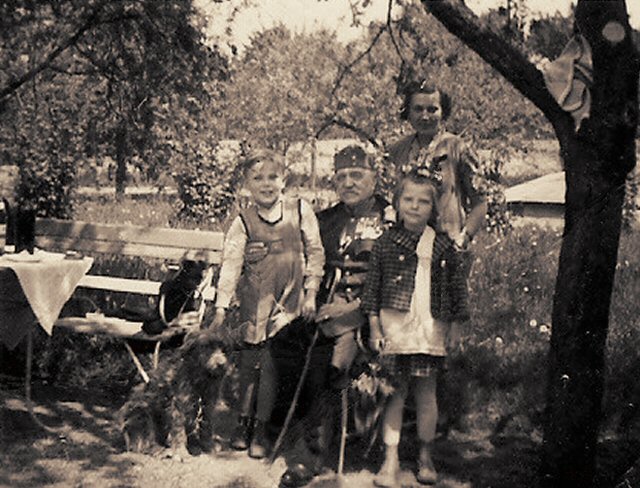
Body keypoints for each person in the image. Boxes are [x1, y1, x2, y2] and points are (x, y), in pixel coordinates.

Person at [274, 144, 390, 488]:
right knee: (286, 345)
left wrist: (353, 309)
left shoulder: (392, 215)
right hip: (328, 309)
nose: (349, 182)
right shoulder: (326, 220)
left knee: (328, 365)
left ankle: (306, 459)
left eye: (358, 175)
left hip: (373, 312)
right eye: (342, 177)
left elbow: (399, 276)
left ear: (374, 176)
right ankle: (282, 433)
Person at [210, 149, 325, 459]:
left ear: (283, 179)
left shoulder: (300, 210)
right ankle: (243, 422)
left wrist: (312, 292)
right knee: (250, 365)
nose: (266, 183)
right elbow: (232, 263)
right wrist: (221, 307)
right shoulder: (243, 220)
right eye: (257, 178)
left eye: (272, 176)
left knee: (273, 366)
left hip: (290, 302)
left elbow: (315, 252)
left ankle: (263, 427)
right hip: (255, 300)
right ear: (247, 183)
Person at [388, 80, 487, 433]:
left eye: (433, 108)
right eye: (419, 108)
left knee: (440, 330)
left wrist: (464, 236)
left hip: (445, 249)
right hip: (405, 252)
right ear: (408, 112)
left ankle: (441, 417)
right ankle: (404, 416)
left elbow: (480, 201)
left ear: (443, 111)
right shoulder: (397, 150)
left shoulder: (457, 149)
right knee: (406, 329)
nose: (426, 115)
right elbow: (391, 200)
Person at [361, 169, 459, 486]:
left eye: (423, 201)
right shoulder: (385, 244)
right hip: (395, 328)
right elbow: (371, 292)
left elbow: (458, 288)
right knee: (395, 393)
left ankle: (425, 456)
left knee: (427, 394)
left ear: (433, 208)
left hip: (430, 327)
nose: (415, 207)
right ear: (398, 202)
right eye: (408, 199)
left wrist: (457, 325)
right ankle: (390, 461)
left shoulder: (443, 246)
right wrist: (375, 328)